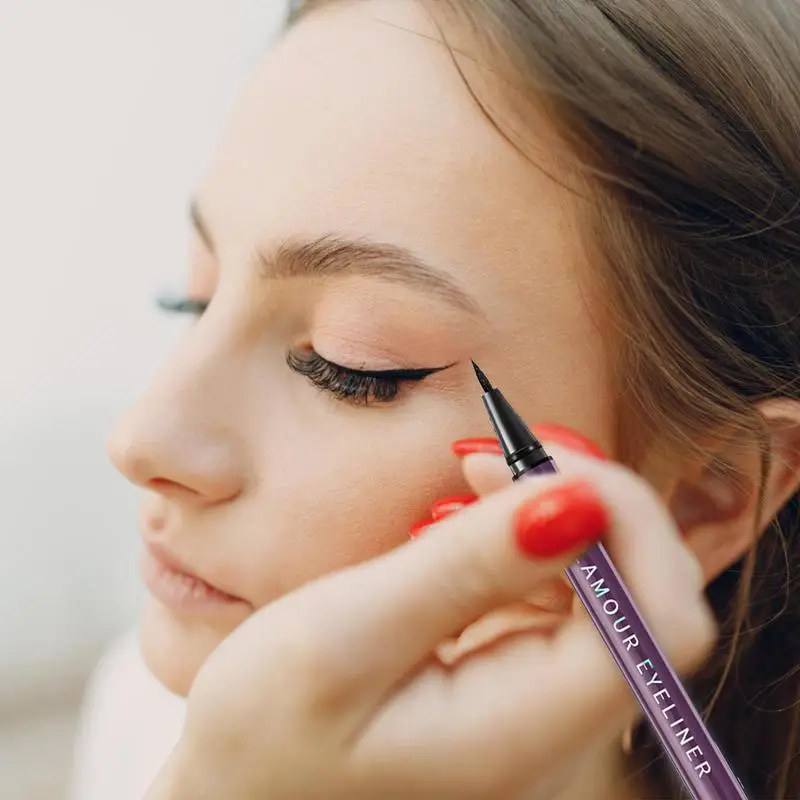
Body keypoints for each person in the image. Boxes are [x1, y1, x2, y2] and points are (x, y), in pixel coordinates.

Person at [100, 0, 800, 797]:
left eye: (353, 364)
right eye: (193, 297)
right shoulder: (146, 719)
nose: (141, 438)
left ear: (708, 495)